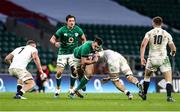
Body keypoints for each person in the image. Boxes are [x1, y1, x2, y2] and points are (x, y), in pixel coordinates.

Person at [140, 16, 176, 102]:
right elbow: (173, 48)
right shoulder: (166, 34)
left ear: (153, 23)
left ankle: (144, 94)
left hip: (152, 58)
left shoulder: (149, 33)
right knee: (168, 79)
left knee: (147, 77)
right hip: (163, 59)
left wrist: (142, 57)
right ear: (161, 24)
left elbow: (143, 45)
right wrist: (172, 52)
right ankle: (169, 97)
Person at [50, 14, 86, 97]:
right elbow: (52, 39)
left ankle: (71, 89)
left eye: (73, 21)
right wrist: (55, 43)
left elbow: (84, 39)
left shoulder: (78, 29)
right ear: (67, 22)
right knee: (59, 72)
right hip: (62, 53)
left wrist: (82, 48)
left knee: (75, 72)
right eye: (70, 21)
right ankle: (58, 88)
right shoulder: (62, 30)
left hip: (73, 54)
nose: (72, 22)